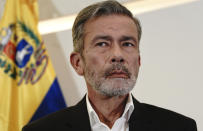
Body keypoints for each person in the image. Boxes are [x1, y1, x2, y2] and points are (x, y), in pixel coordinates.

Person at [22, 0, 197, 131]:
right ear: (77, 63)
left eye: (127, 44)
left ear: (139, 61)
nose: (118, 55)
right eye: (102, 44)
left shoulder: (179, 127)